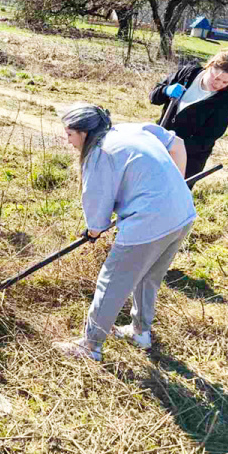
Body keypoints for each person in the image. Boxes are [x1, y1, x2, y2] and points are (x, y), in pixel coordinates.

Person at [53, 103, 196, 361]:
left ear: (84, 132)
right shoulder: (133, 129)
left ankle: (90, 346)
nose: (67, 140)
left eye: (70, 134)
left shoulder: (99, 154)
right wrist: (170, 188)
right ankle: (140, 332)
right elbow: (178, 145)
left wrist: (93, 232)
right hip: (182, 213)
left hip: (150, 222)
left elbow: (96, 221)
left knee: (112, 282)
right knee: (149, 275)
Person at [149, 49, 228, 179]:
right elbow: (154, 97)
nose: (219, 84)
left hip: (188, 160)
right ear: (210, 66)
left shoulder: (225, 101)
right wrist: (166, 90)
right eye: (216, 78)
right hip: (158, 145)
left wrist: (173, 145)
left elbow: (205, 140)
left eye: (226, 82)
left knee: (172, 196)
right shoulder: (188, 74)